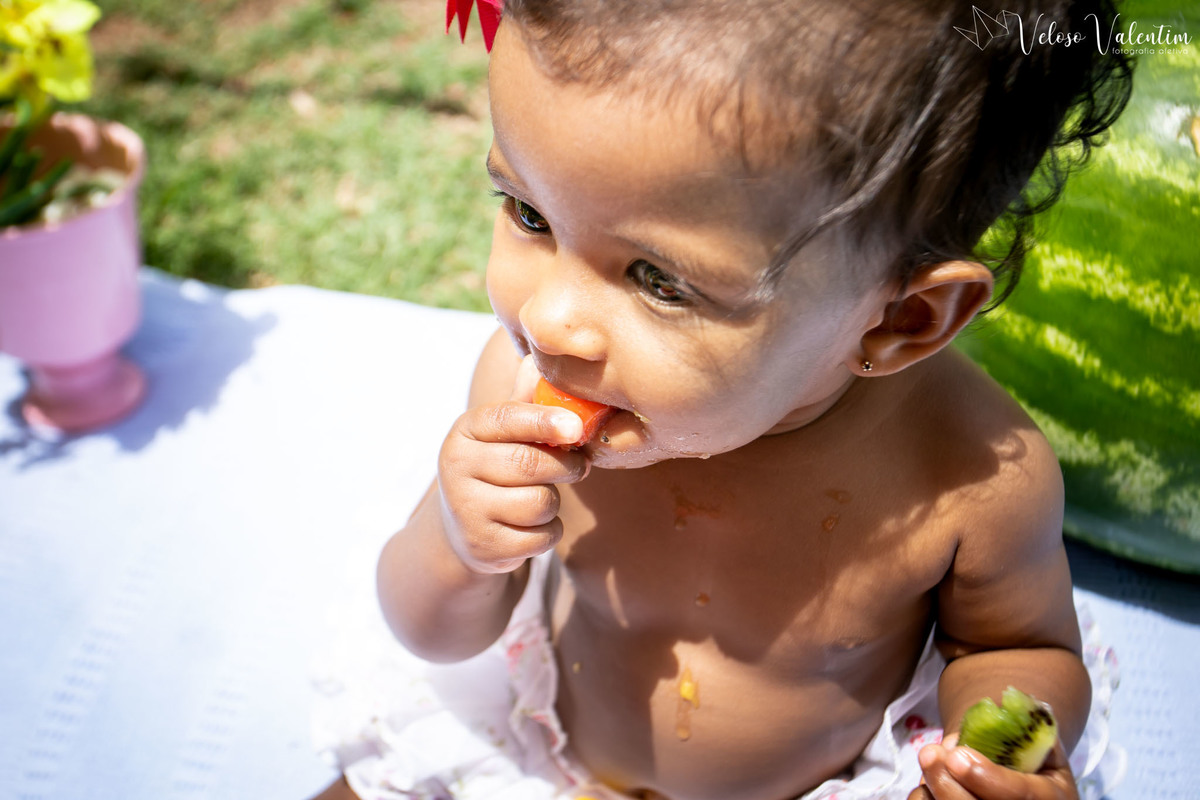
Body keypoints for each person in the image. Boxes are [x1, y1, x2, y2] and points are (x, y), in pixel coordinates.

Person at [311, 0, 1133, 797]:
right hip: (536, 749)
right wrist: (461, 544)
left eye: (660, 281)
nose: (549, 321)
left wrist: (997, 757)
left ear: (901, 320)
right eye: (530, 213)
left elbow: (1021, 650)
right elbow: (431, 634)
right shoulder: (518, 389)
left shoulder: (970, 478)